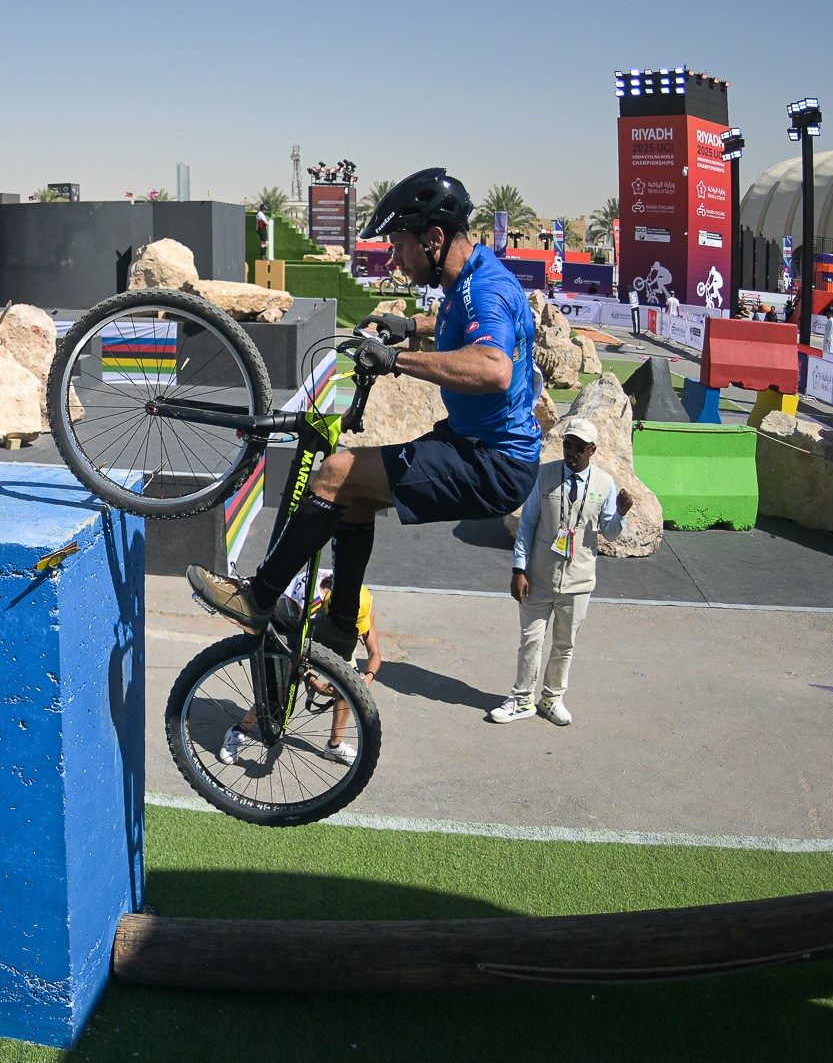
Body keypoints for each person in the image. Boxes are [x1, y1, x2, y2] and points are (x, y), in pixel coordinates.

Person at [187, 168, 542, 646]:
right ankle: (340, 625)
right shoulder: (473, 278)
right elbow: (461, 319)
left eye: (399, 245)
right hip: (477, 444)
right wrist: (412, 323)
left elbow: (494, 367)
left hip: (491, 462)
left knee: (334, 473)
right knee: (353, 493)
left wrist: (398, 360)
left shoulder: (485, 289)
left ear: (434, 238)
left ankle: (259, 599)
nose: (395, 259)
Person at [490, 418, 633, 727]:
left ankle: (552, 698)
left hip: (578, 581)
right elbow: (527, 524)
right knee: (530, 639)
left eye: (578, 448)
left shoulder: (604, 484)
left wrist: (620, 512)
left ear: (592, 450)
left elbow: (608, 533)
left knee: (564, 644)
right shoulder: (544, 475)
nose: (571, 452)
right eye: (568, 445)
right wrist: (518, 569)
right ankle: (522, 698)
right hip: (538, 576)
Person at [218, 569, 382, 766]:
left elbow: (375, 653)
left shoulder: (363, 603)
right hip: (293, 623)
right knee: (279, 698)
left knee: (349, 686)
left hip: (332, 630)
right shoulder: (309, 604)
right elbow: (295, 656)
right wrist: (314, 682)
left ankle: (335, 746)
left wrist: (367, 678)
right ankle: (239, 730)